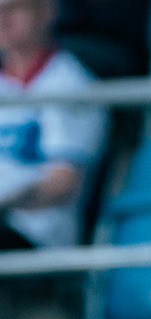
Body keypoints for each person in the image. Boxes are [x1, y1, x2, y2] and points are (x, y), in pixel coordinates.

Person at [0, 0, 104, 255]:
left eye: (13, 8)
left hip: (36, 236)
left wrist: (4, 204)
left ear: (46, 12)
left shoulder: (70, 83)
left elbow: (62, 182)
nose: (3, 19)